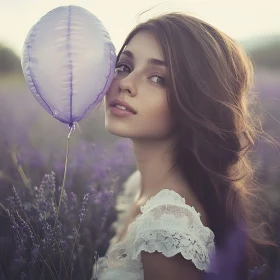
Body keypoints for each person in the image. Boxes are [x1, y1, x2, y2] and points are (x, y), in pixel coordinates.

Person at [95, 12, 279, 280]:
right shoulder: (139, 187)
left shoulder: (167, 228)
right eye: (124, 66)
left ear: (196, 101)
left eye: (158, 78)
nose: (125, 84)